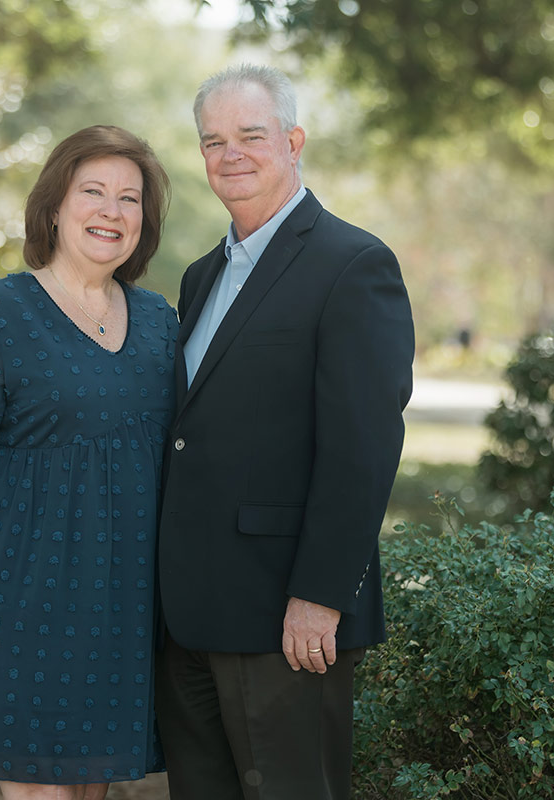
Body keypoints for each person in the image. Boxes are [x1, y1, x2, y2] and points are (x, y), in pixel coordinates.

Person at [155, 64, 415, 799]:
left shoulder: (354, 264)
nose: (229, 154)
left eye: (250, 135)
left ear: (294, 141)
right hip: (191, 616)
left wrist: (321, 595)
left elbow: (362, 449)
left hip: (286, 617)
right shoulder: (202, 275)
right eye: (213, 141)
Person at [0, 125, 175, 799]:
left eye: (129, 198)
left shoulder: (161, 324)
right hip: (20, 608)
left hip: (123, 611)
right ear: (54, 207)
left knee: (89, 791)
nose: (111, 211)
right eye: (93, 192)